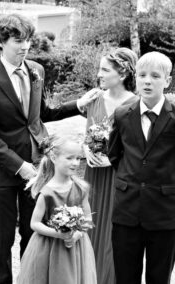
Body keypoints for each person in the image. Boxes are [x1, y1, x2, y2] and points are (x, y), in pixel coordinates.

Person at [0, 13, 97, 283]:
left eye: (28, 39)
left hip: (40, 167)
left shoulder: (37, 70)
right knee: (2, 240)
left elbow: (44, 114)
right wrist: (20, 166)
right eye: (18, 40)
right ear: (1, 42)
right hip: (4, 172)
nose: (25, 46)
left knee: (34, 235)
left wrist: (78, 104)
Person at [108, 51, 175, 284]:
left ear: (167, 81)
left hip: (165, 212)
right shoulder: (122, 115)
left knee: (159, 277)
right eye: (142, 75)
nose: (147, 81)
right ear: (135, 78)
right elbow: (115, 155)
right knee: (126, 276)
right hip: (127, 211)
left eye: (155, 76)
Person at [83, 47, 138, 284]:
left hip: (118, 178)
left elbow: (139, 148)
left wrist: (114, 158)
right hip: (93, 177)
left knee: (112, 236)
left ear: (123, 74)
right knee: (89, 227)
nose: (99, 74)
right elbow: (87, 137)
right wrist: (86, 150)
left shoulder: (136, 104)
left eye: (105, 70)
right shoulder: (95, 99)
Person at [17, 134, 96, 284]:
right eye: (69, 158)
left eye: (78, 158)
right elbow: (34, 224)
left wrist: (77, 234)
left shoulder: (81, 188)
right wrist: (59, 234)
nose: (75, 163)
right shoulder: (47, 192)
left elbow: (88, 218)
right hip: (49, 248)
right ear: (53, 158)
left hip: (76, 247)